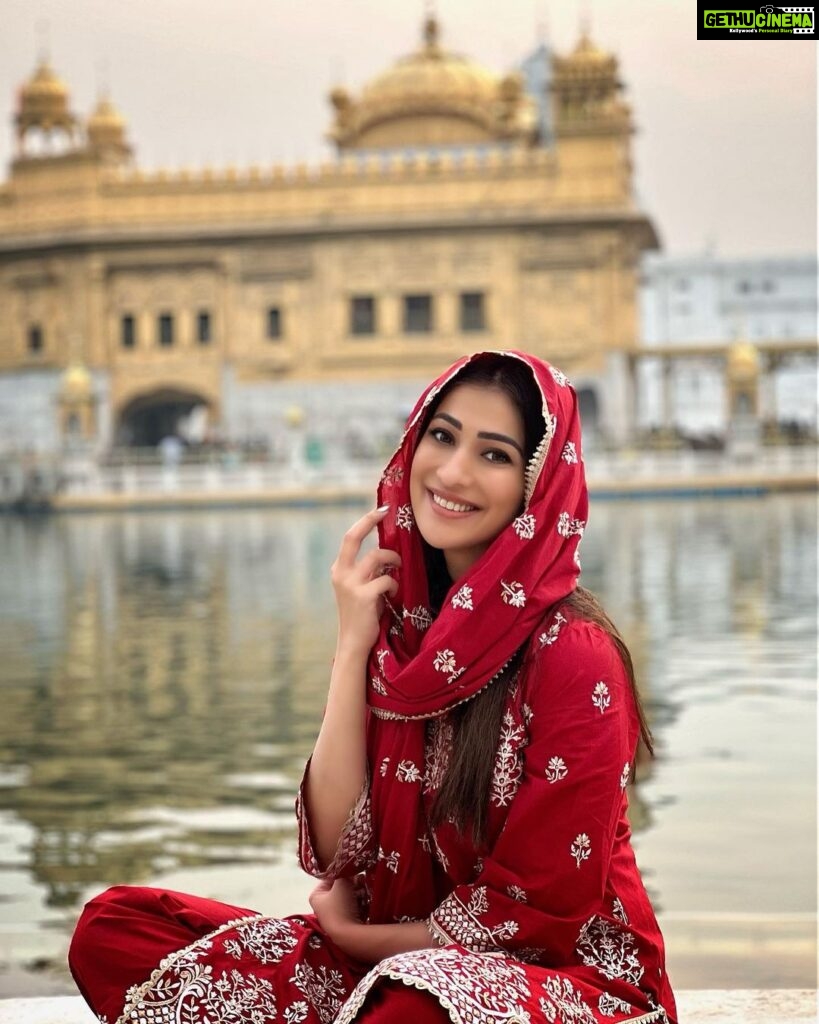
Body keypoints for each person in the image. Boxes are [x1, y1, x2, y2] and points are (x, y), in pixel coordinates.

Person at [69, 351, 677, 1024]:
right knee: (118, 926)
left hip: (562, 979)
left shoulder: (573, 656)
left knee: (402, 1012)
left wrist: (357, 939)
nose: (451, 472)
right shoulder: (401, 630)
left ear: (539, 484)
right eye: (441, 437)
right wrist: (353, 643)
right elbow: (336, 849)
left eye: (495, 455)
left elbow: (537, 917)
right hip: (394, 960)